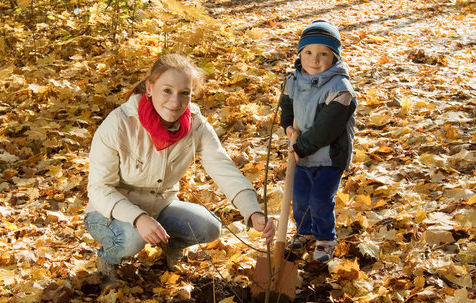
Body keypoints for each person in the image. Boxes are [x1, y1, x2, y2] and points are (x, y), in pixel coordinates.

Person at [84, 54, 275, 282]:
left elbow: (223, 167)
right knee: (132, 239)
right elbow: (99, 188)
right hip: (108, 212)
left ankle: (171, 247)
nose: (175, 102)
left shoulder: (195, 125)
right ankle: (109, 257)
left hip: (159, 206)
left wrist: (252, 210)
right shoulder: (119, 124)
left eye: (184, 93)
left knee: (209, 228)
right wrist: (138, 218)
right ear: (150, 88)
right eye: (167, 91)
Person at [280, 20, 357, 263]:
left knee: (319, 199)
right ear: (300, 54)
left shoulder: (341, 89)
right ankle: (304, 232)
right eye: (308, 52)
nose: (314, 59)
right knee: (301, 197)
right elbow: (287, 106)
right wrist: (288, 126)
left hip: (329, 156)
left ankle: (325, 237)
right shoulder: (294, 81)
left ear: (334, 57)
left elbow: (326, 129)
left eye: (323, 54)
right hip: (302, 154)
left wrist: (299, 147)